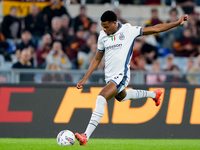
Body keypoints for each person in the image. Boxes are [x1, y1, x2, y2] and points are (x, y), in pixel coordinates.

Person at [75, 10, 188, 146]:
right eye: (102, 26)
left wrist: (177, 23)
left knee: (101, 97)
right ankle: (154, 94)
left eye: (106, 26)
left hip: (122, 75)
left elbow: (155, 28)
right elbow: (97, 58)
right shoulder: (102, 36)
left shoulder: (128, 30)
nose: (104, 29)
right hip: (110, 77)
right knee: (121, 97)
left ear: (114, 23)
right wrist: (84, 78)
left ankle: (85, 135)